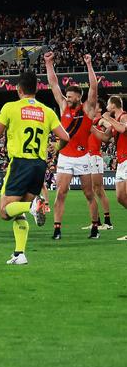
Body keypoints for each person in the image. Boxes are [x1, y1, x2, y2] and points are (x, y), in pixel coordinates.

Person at [0, 71, 69, 265]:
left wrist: (9, 127)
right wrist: (56, 147)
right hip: (39, 166)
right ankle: (20, 253)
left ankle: (34, 206)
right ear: (36, 89)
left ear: (19, 89)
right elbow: (65, 137)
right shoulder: (47, 111)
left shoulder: (11, 107)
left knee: (4, 210)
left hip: (20, 163)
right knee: (18, 212)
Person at [45, 52, 99, 239]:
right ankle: (57, 229)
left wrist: (89, 65)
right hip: (66, 157)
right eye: (66, 95)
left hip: (83, 157)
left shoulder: (88, 109)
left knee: (89, 193)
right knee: (61, 192)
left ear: (78, 97)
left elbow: (93, 86)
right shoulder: (63, 107)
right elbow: (53, 84)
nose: (67, 98)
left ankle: (94, 227)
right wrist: (49, 63)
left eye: (70, 96)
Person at [82, 99, 113, 231]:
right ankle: (97, 222)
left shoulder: (99, 120)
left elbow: (110, 126)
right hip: (88, 156)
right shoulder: (90, 121)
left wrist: (107, 137)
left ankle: (107, 222)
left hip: (95, 156)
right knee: (91, 190)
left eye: (95, 106)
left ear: (99, 110)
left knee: (98, 190)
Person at [99, 96, 127, 241]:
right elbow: (104, 138)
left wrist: (107, 119)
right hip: (122, 161)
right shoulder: (114, 122)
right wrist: (89, 127)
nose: (106, 108)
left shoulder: (124, 116)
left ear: (113, 106)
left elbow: (123, 128)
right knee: (121, 197)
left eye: (108, 105)